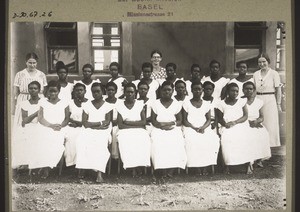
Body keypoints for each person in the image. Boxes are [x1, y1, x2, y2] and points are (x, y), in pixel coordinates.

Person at [29, 80, 69, 179]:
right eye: (50, 91)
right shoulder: (43, 102)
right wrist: (51, 126)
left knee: (55, 141)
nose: (52, 93)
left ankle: (48, 165)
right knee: (42, 139)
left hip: (60, 128)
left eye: (55, 91)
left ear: (59, 91)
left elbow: (67, 118)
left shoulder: (64, 102)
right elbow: (40, 118)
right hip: (46, 126)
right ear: (47, 91)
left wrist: (60, 126)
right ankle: (45, 167)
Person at [75, 82, 113, 183]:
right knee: (82, 140)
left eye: (98, 91)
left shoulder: (108, 106)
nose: (95, 94)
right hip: (89, 130)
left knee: (100, 142)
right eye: (93, 92)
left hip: (103, 131)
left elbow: (107, 122)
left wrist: (96, 125)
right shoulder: (86, 105)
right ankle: (82, 168)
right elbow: (85, 123)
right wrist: (98, 124)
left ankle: (99, 173)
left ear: (103, 92)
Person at [151, 81, 187, 178]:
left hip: (173, 128)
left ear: (172, 91)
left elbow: (180, 120)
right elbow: (153, 120)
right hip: (158, 128)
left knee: (177, 141)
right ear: (161, 91)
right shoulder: (155, 103)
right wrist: (161, 126)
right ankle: (162, 169)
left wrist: (171, 124)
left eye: (169, 90)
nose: (167, 92)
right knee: (157, 142)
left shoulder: (176, 104)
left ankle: (171, 170)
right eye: (164, 90)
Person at [182, 81, 220, 175]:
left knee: (212, 139)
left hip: (204, 127)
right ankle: (196, 167)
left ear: (202, 90)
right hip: (190, 127)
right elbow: (184, 120)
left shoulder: (207, 104)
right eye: (195, 89)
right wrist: (194, 128)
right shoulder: (186, 103)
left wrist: (203, 127)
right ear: (191, 90)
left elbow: (208, 119)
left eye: (199, 89)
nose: (197, 91)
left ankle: (206, 166)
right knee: (192, 140)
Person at [216, 83, 253, 174]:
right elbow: (220, 118)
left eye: (237, 91)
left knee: (245, 137)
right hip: (227, 126)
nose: (235, 93)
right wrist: (226, 124)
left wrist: (235, 122)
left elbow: (245, 116)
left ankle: (248, 164)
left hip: (240, 124)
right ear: (228, 92)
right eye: (233, 91)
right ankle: (228, 165)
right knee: (227, 138)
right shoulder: (221, 104)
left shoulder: (242, 101)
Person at [116, 83, 151, 176]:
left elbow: (143, 122)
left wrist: (129, 123)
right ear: (124, 93)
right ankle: (132, 167)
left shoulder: (140, 104)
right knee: (125, 139)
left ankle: (139, 165)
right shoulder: (120, 105)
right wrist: (136, 125)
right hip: (125, 131)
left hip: (138, 129)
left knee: (144, 138)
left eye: (132, 92)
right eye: (128, 92)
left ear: (135, 93)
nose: (130, 94)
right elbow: (120, 125)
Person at [252, 53, 282, 147]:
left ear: (268, 61)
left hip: (270, 99)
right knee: (260, 121)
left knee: (270, 122)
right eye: (259, 62)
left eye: (264, 61)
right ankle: (260, 144)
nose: (262, 64)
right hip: (258, 99)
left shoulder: (274, 73)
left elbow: (278, 89)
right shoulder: (256, 74)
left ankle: (271, 145)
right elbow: (253, 89)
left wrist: (278, 104)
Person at [12, 81, 42, 169]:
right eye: (31, 88)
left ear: (39, 90)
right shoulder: (24, 104)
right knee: (21, 136)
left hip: (41, 126)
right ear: (28, 90)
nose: (33, 90)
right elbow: (25, 120)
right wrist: (37, 113)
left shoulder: (44, 102)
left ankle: (38, 163)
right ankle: (26, 162)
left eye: (35, 88)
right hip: (29, 126)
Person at [242, 81, 271, 169]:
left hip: (255, 123)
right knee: (248, 135)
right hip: (243, 122)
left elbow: (262, 117)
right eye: (246, 89)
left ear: (254, 90)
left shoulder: (259, 102)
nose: (248, 91)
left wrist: (257, 121)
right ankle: (249, 160)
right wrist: (245, 122)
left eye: (251, 89)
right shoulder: (240, 100)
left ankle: (258, 159)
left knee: (263, 133)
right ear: (243, 90)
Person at [13, 52, 47, 126]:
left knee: (38, 120)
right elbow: (16, 90)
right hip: (24, 98)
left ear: (37, 63)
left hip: (38, 99)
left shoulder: (41, 74)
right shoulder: (19, 74)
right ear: (26, 62)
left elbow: (45, 89)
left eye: (34, 63)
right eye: (30, 63)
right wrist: (17, 102)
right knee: (22, 121)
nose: (32, 65)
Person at [63, 83, 88, 167]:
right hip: (71, 126)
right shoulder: (70, 103)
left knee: (83, 139)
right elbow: (66, 117)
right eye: (77, 90)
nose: (79, 92)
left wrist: (78, 123)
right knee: (70, 138)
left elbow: (90, 119)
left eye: (81, 90)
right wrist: (73, 122)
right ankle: (72, 162)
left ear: (85, 91)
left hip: (85, 127)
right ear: (73, 92)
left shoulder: (89, 103)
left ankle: (82, 163)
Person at [105, 81, 121, 160]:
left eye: (112, 90)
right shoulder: (103, 101)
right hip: (105, 123)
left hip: (117, 123)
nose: (110, 92)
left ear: (116, 91)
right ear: (106, 91)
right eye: (109, 90)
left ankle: (114, 157)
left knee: (115, 132)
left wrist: (117, 121)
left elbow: (123, 114)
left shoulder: (120, 102)